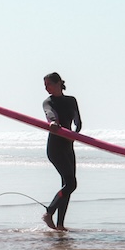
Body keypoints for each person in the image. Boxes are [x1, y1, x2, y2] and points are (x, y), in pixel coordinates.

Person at [41, 72, 82, 230]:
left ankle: (60, 225)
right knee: (71, 184)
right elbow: (49, 113)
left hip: (68, 146)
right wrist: (53, 123)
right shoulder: (48, 102)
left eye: (49, 84)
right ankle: (49, 213)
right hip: (55, 147)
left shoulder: (71, 101)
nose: (46, 88)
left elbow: (78, 121)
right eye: (45, 86)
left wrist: (75, 135)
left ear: (58, 83)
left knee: (67, 185)